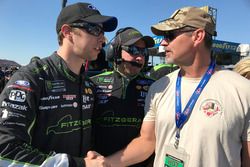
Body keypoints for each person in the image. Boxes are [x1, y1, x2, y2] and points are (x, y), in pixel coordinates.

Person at [89, 6, 250, 167]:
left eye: (170, 35)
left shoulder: (243, 91)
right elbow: (147, 142)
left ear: (198, 36)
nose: (164, 43)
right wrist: (106, 163)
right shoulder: (158, 87)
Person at [0, 2, 117, 167]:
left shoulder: (88, 85)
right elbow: (5, 151)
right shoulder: (31, 79)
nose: (103, 39)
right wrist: (78, 164)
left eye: (103, 32)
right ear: (67, 32)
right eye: (95, 29)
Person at [90, 27, 155, 166]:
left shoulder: (155, 87)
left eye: (144, 52)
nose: (140, 57)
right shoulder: (93, 83)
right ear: (115, 51)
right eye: (133, 50)